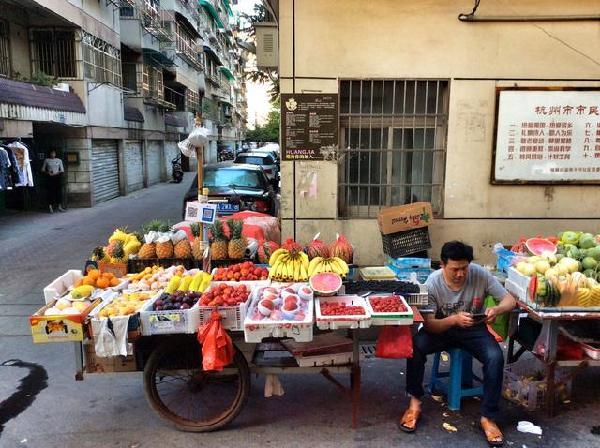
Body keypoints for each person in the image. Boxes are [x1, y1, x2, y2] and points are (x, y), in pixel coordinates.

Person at [399, 241, 516, 447]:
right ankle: (415, 402)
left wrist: (496, 310)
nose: (460, 274)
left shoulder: (479, 274)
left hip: (473, 328)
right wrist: (453, 320)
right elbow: (430, 324)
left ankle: (488, 416)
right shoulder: (433, 282)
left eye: (464, 268)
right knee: (415, 347)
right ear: (443, 265)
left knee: (495, 357)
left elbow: (509, 300)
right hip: (442, 327)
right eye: (455, 269)